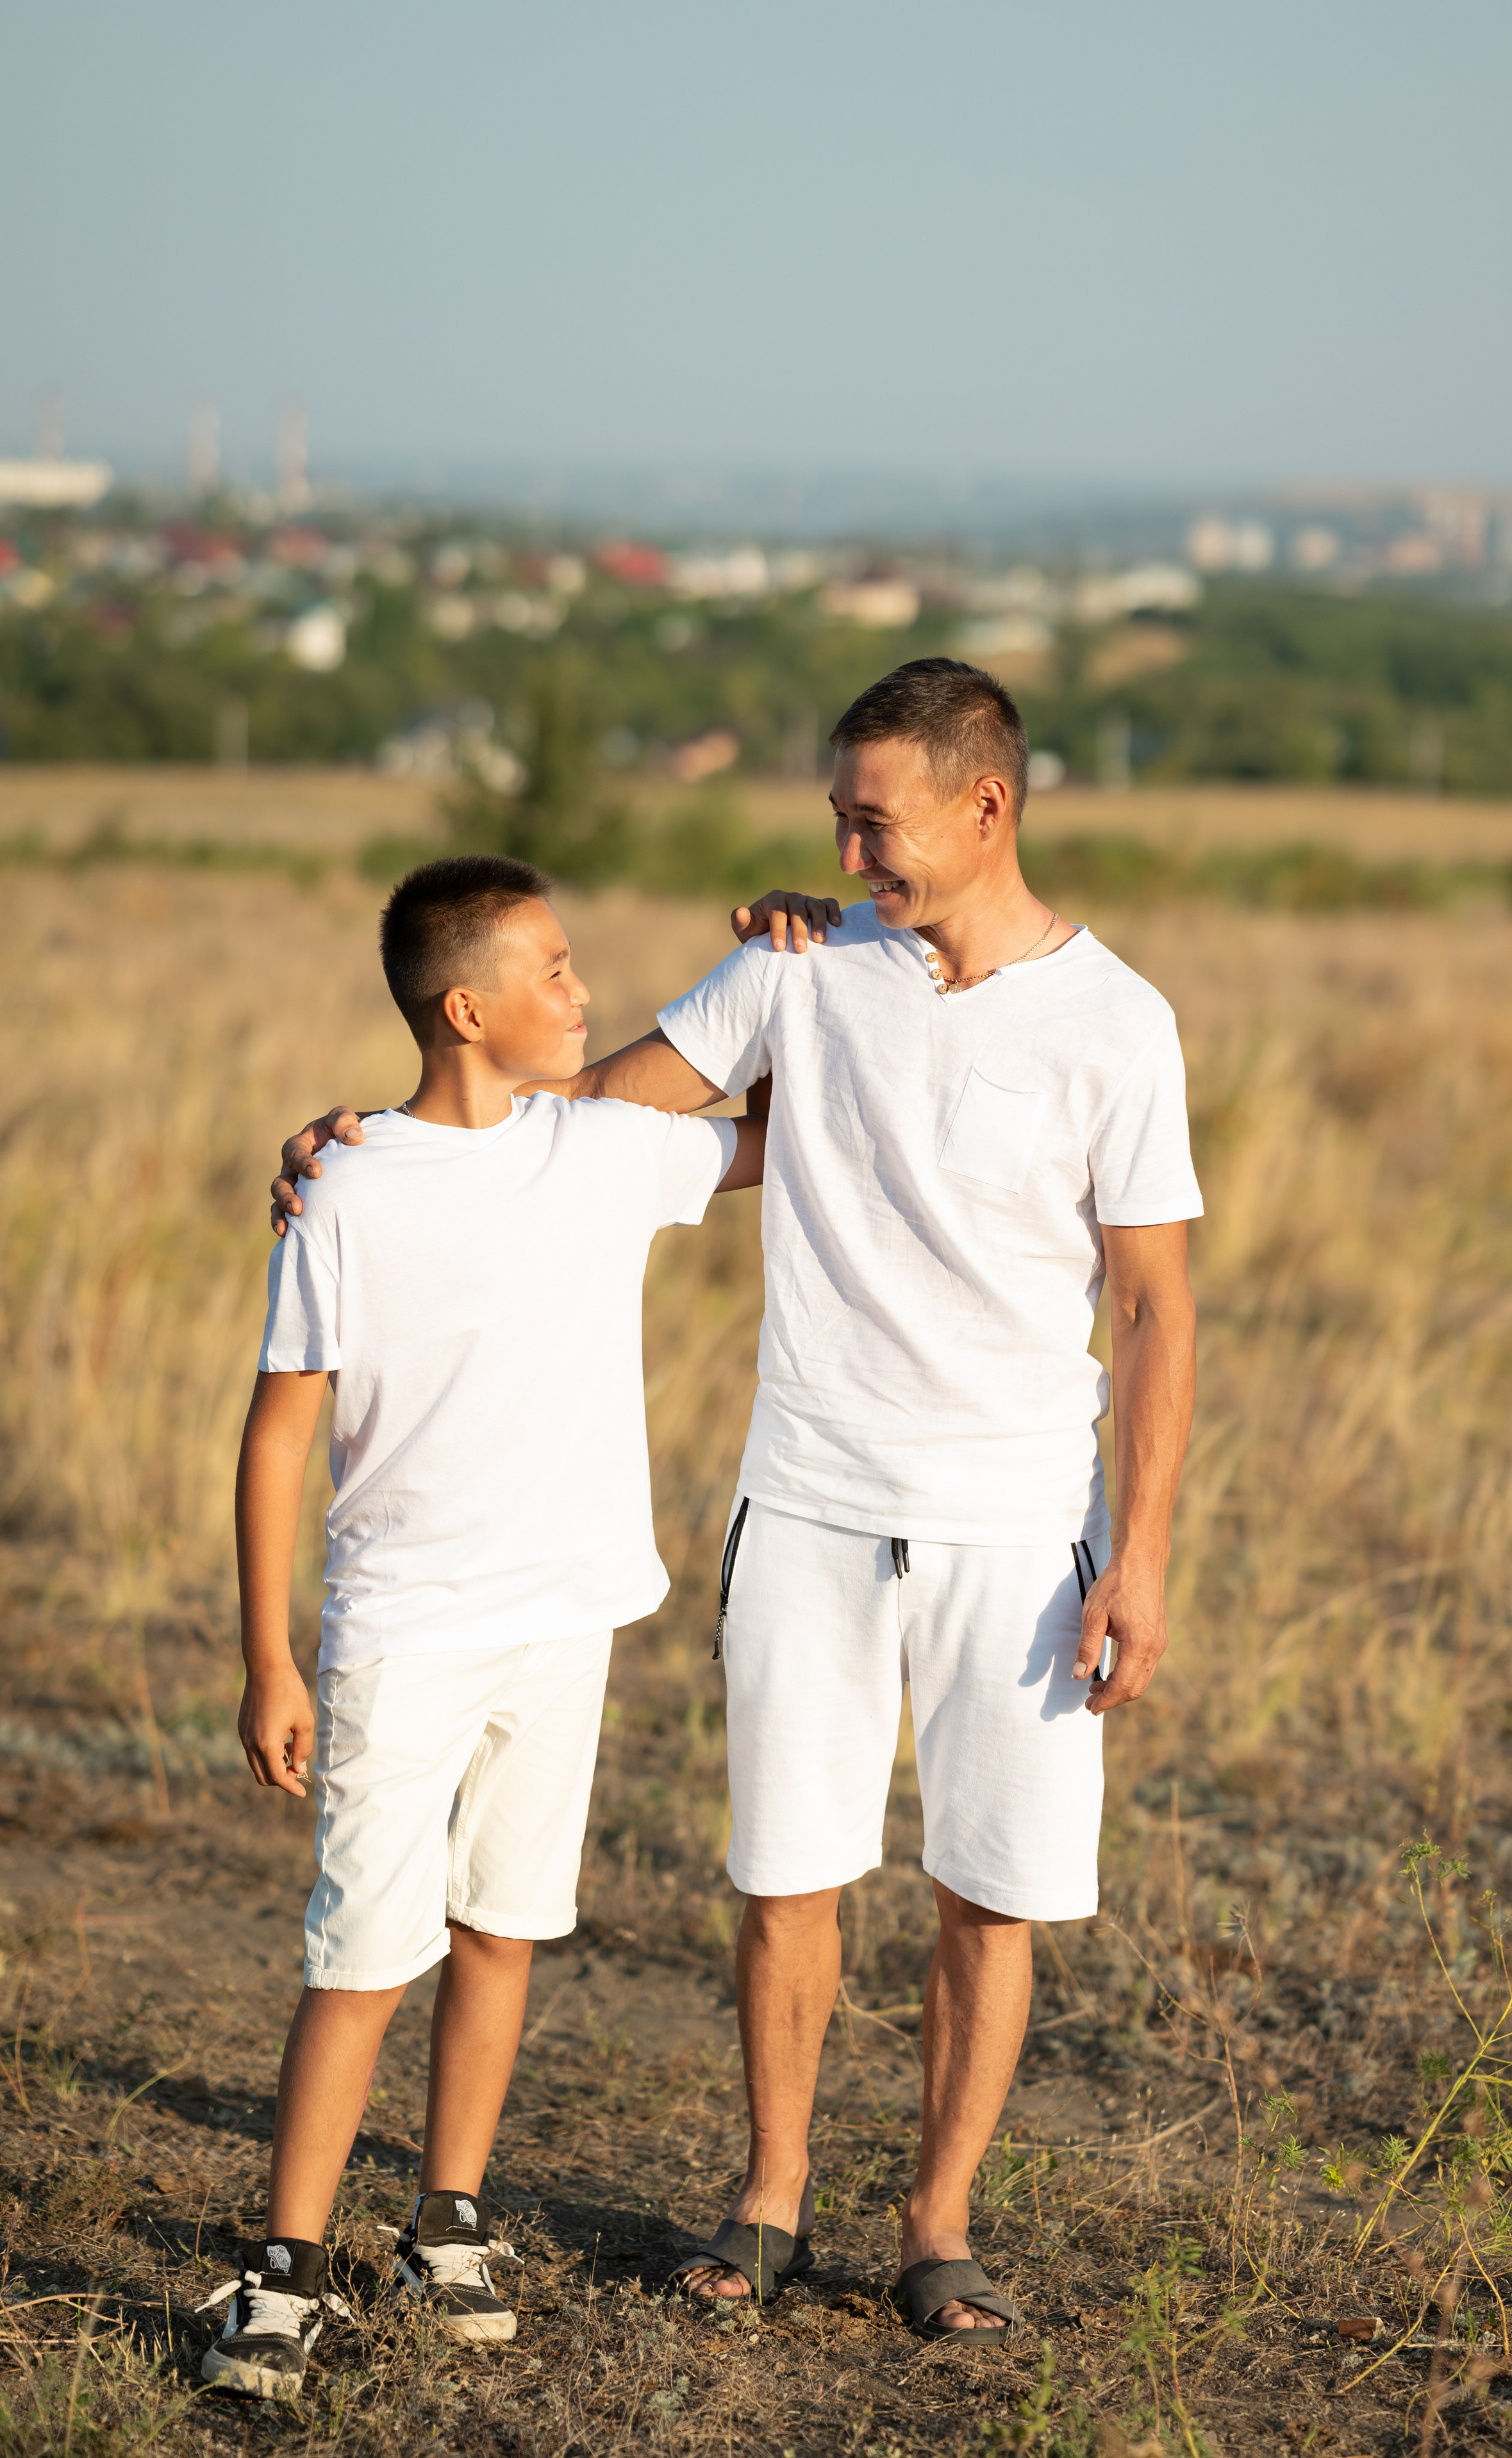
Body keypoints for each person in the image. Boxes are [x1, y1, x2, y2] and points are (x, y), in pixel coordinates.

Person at [275, 657, 1200, 2341]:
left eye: (876, 818)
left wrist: (1140, 1553)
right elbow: (570, 1111)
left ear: (986, 805)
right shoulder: (798, 969)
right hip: (812, 1494)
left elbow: (1154, 1307)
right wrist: (381, 1141)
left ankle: (937, 2228)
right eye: (838, 817)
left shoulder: (1118, 1023)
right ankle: (768, 2200)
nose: (846, 850)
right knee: (789, 1868)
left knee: (991, 1887)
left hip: (1022, 1519)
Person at [201, 854, 763, 2400]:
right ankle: (284, 2266)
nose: (585, 992)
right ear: (467, 1007)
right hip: (401, 1631)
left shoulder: (599, 1149)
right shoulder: (348, 1185)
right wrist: (271, 1655)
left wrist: (813, 956)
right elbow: (274, 1436)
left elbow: (790, 1128)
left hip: (562, 1618)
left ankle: (445, 2222)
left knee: (501, 1927)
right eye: (556, 968)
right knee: (362, 1952)